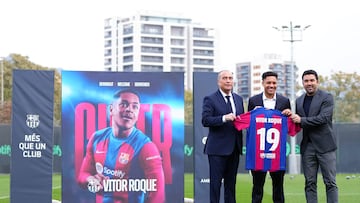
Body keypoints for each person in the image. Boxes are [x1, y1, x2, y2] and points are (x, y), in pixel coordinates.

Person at [77, 89, 165, 203]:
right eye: (124, 104)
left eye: (135, 107)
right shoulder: (96, 138)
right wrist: (91, 180)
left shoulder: (146, 147)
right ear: (111, 109)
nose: (129, 109)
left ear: (138, 114)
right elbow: (82, 175)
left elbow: (158, 196)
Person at [288, 69, 338, 203]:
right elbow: (296, 121)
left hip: (326, 146)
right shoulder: (298, 101)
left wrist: (301, 120)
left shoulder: (327, 97)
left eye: (312, 80)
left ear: (317, 81)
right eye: (306, 81)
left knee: (330, 183)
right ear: (302, 83)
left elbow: (323, 118)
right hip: (308, 147)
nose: (309, 83)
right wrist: (287, 114)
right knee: (310, 183)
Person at [247, 71, 291, 203]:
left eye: (274, 83)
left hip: (276, 153)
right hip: (259, 153)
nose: (271, 85)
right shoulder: (253, 101)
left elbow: (288, 126)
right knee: (257, 188)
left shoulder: (284, 101)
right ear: (263, 83)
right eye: (268, 83)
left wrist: (288, 114)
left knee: (278, 188)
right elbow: (250, 123)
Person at [202, 70, 245, 203]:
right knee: (215, 186)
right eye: (225, 78)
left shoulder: (238, 99)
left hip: (234, 148)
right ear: (218, 81)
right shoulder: (210, 99)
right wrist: (224, 118)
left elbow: (241, 120)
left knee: (231, 186)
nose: (228, 81)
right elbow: (206, 120)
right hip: (217, 150)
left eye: (230, 78)